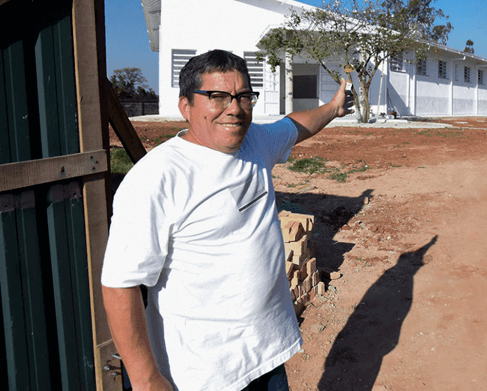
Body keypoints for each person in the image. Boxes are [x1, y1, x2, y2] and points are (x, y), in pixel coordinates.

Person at [101, 50, 354, 391]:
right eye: (217, 96)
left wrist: (335, 108)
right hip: (203, 375)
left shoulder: (256, 143)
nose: (234, 107)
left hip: (268, 355)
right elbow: (120, 284)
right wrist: (146, 380)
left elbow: (294, 126)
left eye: (243, 96)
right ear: (186, 106)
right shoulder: (157, 178)